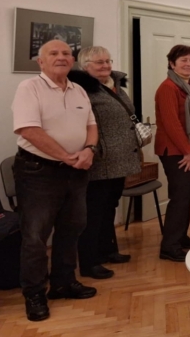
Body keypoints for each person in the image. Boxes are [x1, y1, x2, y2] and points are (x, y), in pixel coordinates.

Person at [11, 40, 99, 321]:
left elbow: (91, 125)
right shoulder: (29, 88)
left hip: (77, 170)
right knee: (36, 236)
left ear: (72, 60)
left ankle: (63, 282)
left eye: (66, 53)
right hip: (39, 172)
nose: (61, 57)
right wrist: (66, 156)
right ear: (41, 61)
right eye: (54, 53)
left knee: (72, 228)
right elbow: (28, 129)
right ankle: (34, 293)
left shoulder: (79, 89)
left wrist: (89, 150)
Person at [68, 47, 141, 280]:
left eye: (108, 61)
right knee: (93, 212)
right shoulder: (81, 90)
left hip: (120, 159)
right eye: (99, 62)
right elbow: (81, 125)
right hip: (99, 160)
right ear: (85, 66)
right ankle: (90, 262)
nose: (106, 65)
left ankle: (107, 249)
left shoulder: (115, 85)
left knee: (109, 207)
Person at [155, 45, 190, 262]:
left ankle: (180, 237)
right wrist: (187, 151)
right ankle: (169, 247)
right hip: (175, 151)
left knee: (186, 196)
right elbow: (171, 124)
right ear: (172, 63)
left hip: (189, 150)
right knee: (179, 197)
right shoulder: (168, 87)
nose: (188, 64)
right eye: (183, 60)